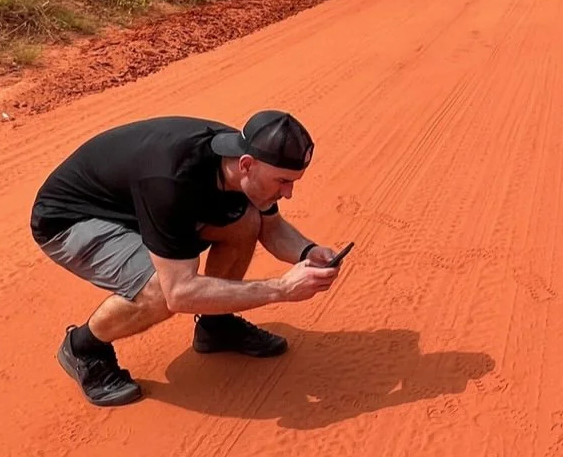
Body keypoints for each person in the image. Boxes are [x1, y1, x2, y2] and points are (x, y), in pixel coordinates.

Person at [30, 111, 342, 406]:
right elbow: (180, 294)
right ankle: (83, 348)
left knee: (247, 219)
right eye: (283, 182)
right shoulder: (172, 181)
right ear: (246, 165)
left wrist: (307, 251)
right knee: (159, 291)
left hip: (135, 205)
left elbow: (271, 227)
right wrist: (281, 289)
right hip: (70, 219)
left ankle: (216, 326)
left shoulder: (242, 163)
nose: (288, 193)